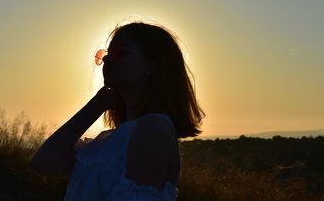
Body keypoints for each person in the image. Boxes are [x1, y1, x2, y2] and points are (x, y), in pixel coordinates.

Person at [30, 21, 206, 200]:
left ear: (151, 65)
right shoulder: (106, 143)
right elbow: (43, 163)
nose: (107, 59)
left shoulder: (153, 129)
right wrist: (96, 105)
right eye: (106, 54)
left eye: (121, 53)